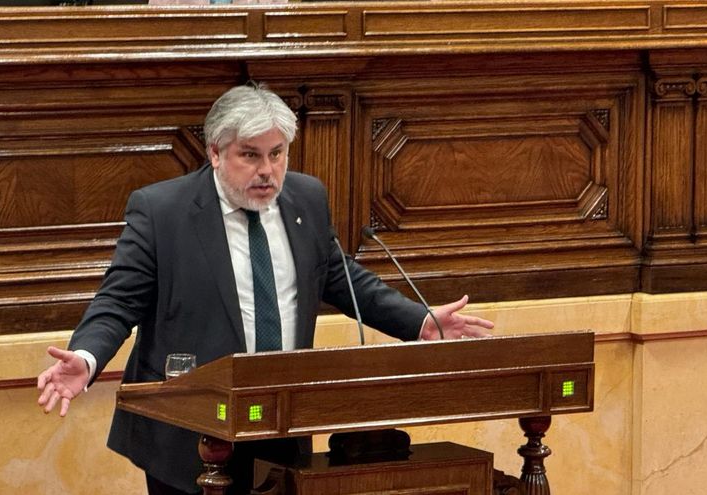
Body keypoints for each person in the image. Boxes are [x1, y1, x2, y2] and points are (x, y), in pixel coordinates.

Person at [36, 83, 494, 495]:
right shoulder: (162, 211)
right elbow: (118, 301)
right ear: (215, 153)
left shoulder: (306, 198)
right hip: (189, 432)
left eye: (277, 154)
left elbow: (342, 278)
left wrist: (419, 321)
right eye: (250, 155)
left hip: (282, 424)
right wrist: (88, 357)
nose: (267, 171)